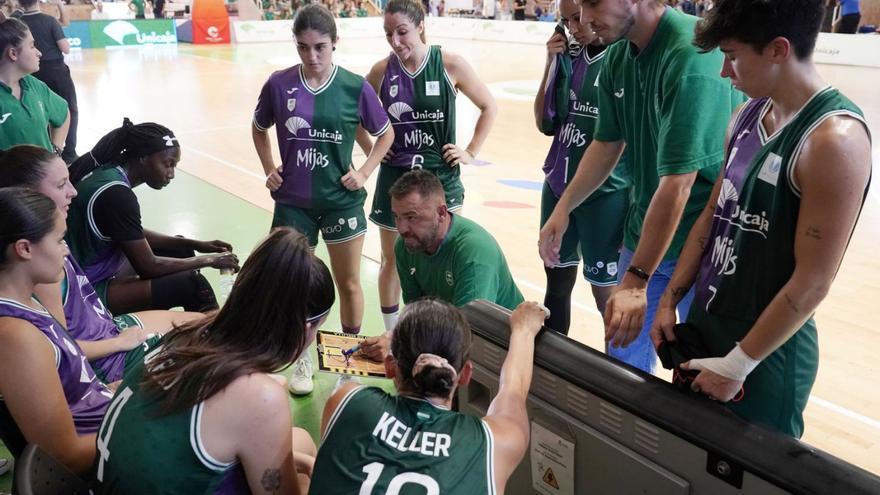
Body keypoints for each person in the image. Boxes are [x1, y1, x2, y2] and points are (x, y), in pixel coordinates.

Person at [645, 0, 871, 437]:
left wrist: (739, 363)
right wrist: (670, 299)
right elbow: (713, 214)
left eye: (731, 56)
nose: (724, 73)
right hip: (707, 326)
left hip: (765, 355)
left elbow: (813, 282)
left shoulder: (833, 140)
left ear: (778, 50)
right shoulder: (744, 116)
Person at [538, 0, 742, 373]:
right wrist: (563, 208)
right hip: (645, 232)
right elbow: (606, 144)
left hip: (703, 247)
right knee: (622, 365)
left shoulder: (691, 57)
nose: (583, 19)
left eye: (592, 3)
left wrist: (636, 281)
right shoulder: (619, 56)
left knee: (702, 373)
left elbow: (679, 185)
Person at [95, 227, 335, 494]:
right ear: (304, 329)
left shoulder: (189, 331)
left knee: (297, 443)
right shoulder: (260, 396)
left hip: (107, 480)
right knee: (306, 465)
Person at [252, 4, 393, 394]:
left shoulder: (354, 86)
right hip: (293, 201)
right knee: (295, 284)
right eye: (303, 47)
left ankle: (348, 364)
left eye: (320, 47)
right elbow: (259, 127)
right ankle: (302, 360)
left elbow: (386, 134)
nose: (312, 56)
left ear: (335, 43)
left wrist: (364, 173)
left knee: (348, 282)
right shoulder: (279, 85)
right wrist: (269, 167)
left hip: (340, 202)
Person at [0, 145, 202, 383]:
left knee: (209, 322)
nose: (73, 191)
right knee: (210, 339)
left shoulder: (49, 241)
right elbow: (66, 352)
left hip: (105, 326)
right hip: (106, 359)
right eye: (61, 184)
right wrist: (118, 343)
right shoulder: (39, 269)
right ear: (27, 195)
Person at [311, 298, 547, 494]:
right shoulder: (494, 441)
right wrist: (524, 330)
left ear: (390, 366)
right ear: (464, 375)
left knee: (302, 442)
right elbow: (513, 388)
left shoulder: (348, 400)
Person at [364, 0, 497, 334]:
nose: (395, 41)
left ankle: (448, 335)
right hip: (396, 180)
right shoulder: (382, 71)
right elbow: (355, 114)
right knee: (393, 261)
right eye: (388, 34)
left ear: (420, 25)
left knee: (450, 258)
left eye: (402, 32)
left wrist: (469, 151)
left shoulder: (449, 64)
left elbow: (488, 106)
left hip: (441, 179)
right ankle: (395, 333)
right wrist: (375, 153)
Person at [66, 118, 240, 315]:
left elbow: (130, 234)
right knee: (192, 285)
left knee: (180, 248)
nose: (171, 174)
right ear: (143, 157)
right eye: (168, 164)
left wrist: (195, 244)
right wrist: (209, 260)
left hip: (94, 269)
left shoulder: (108, 172)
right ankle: (217, 339)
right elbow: (148, 267)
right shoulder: (117, 195)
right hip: (84, 291)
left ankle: (172, 322)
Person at [0, 187, 113, 474]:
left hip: (109, 422)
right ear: (24, 248)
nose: (66, 250)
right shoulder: (16, 336)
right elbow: (64, 455)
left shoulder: (28, 302)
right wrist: (139, 425)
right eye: (60, 240)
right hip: (107, 457)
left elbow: (83, 392)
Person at [534, 1, 629, 335]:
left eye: (578, 18)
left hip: (606, 195)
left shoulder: (623, 59)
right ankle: (552, 377)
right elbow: (545, 123)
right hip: (559, 184)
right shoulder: (570, 58)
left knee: (608, 299)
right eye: (567, 21)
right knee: (556, 288)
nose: (575, 27)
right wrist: (551, 62)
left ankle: (618, 382)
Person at [361, 170, 523, 360]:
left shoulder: (474, 252)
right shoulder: (406, 246)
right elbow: (417, 311)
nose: (402, 228)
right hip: (454, 339)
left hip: (499, 347)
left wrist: (399, 343)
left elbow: (466, 331)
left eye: (411, 217)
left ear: (441, 213)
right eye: (397, 217)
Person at [11, 0, 76, 164]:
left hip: (31, 73)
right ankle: (68, 153)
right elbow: (65, 48)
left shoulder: (15, 22)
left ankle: (42, 151)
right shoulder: (49, 20)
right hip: (55, 70)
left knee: (40, 112)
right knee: (68, 109)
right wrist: (60, 5)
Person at [0, 16, 70, 156]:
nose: (39, 53)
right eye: (32, 46)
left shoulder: (34, 85)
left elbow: (63, 114)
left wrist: (55, 152)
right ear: (13, 53)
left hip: (45, 176)